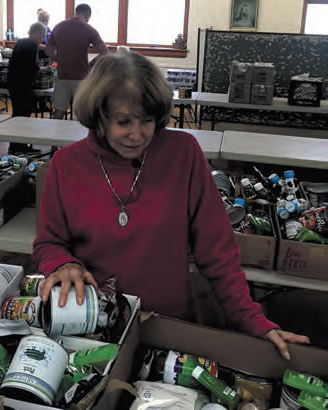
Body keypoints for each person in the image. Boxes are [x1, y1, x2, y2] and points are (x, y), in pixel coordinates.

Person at [33, 50, 309, 360]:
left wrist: (251, 318)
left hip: (169, 324)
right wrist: (62, 263)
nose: (137, 135)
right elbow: (49, 242)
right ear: (99, 115)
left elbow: (217, 250)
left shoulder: (183, 153)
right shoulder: (66, 165)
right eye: (123, 122)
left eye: (147, 121)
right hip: (93, 329)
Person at [45, 3, 108, 120]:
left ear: (75, 12)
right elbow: (105, 52)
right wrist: (91, 64)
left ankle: (53, 136)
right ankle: (79, 138)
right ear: (88, 15)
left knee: (58, 112)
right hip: (81, 78)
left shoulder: (59, 26)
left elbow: (48, 50)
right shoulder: (89, 29)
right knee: (81, 113)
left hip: (62, 76)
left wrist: (61, 59)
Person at [8, 22, 52, 154]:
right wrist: (45, 69)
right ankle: (20, 147)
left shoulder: (21, 41)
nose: (43, 38)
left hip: (14, 83)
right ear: (36, 33)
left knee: (17, 115)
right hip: (23, 86)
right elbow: (32, 68)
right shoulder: (32, 45)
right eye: (43, 35)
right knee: (23, 117)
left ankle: (15, 146)